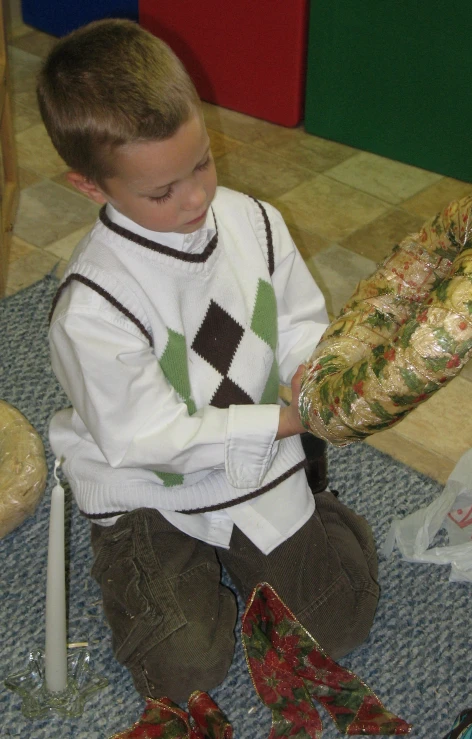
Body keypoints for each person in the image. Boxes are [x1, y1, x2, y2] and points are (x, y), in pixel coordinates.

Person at [39, 19, 379, 703]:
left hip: (256, 458)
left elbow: (298, 325)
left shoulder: (254, 222)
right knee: (185, 672)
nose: (195, 199)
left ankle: (317, 516)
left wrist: (317, 376)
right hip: (149, 483)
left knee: (340, 626)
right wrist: (282, 423)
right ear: (90, 186)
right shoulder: (94, 307)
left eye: (202, 164)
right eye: (161, 191)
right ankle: (137, 556)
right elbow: (145, 438)